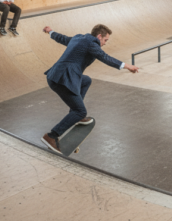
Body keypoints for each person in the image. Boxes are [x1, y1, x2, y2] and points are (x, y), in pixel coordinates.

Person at [40, 24, 140, 154]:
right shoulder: (92, 43)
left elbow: (62, 38)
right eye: (105, 40)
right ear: (99, 36)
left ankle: (75, 116)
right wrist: (127, 66)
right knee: (80, 111)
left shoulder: (79, 38)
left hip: (56, 75)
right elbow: (104, 57)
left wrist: (50, 32)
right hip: (62, 80)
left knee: (86, 80)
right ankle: (52, 135)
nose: (104, 44)